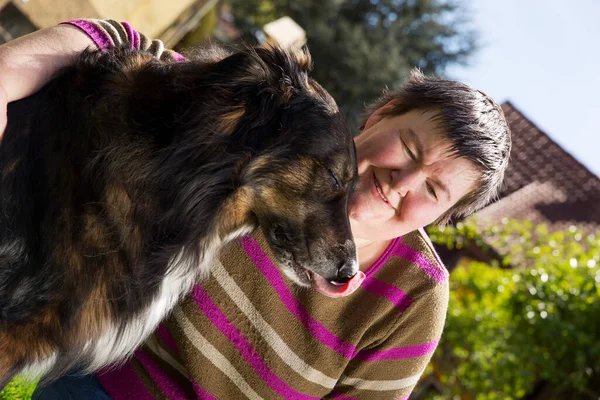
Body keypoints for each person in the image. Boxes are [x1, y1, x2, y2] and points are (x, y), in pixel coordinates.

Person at [0, 20, 511, 400]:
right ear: (380, 115)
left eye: (435, 191)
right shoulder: (267, 143)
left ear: (440, 219)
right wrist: (6, 75)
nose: (401, 184)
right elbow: (129, 48)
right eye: (410, 149)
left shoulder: (414, 296)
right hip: (100, 388)